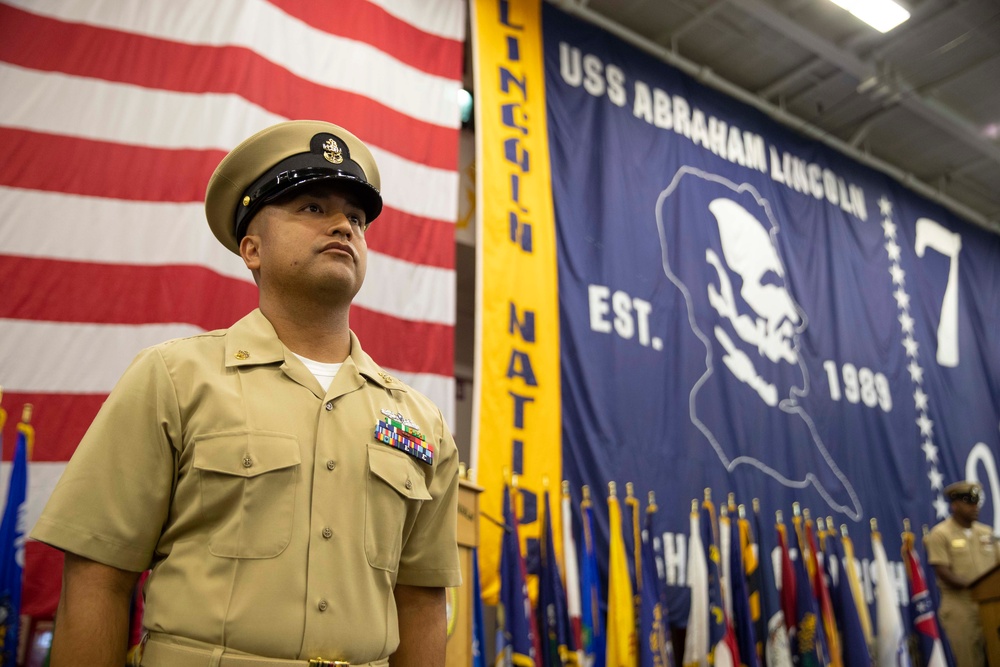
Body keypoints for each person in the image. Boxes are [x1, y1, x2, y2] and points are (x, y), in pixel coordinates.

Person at [30, 120, 462, 667]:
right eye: (312, 208)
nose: (343, 227)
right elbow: (99, 576)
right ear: (251, 249)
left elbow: (421, 600)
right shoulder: (174, 378)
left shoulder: (419, 422)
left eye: (356, 218)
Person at [925, 480, 999, 667]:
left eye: (976, 503)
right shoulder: (940, 534)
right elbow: (942, 571)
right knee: (969, 661)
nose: (975, 508)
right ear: (955, 505)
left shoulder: (987, 532)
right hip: (960, 608)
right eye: (969, 503)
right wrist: (977, 587)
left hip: (992, 606)